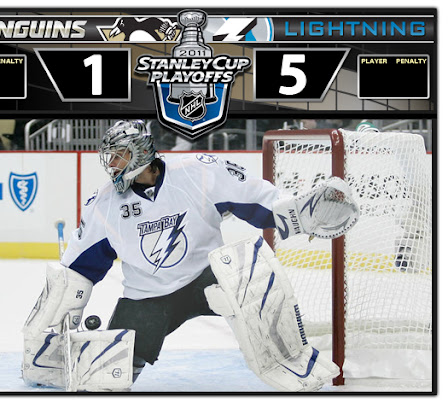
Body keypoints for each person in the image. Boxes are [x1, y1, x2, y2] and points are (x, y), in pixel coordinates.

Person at [22, 119, 359, 392]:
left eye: (119, 155)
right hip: (148, 297)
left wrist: (299, 212)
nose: (112, 165)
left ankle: (290, 359)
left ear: (140, 153)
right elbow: (77, 271)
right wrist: (49, 329)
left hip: (210, 278)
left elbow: (256, 201)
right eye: (109, 157)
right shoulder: (103, 206)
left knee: (251, 270)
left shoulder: (198, 171)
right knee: (103, 376)